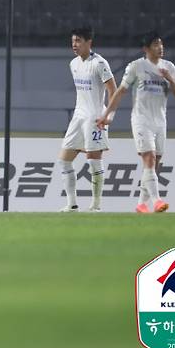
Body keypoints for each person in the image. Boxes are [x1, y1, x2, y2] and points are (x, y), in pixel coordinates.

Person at [97, 31, 175, 213]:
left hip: (160, 121)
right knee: (149, 159)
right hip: (141, 120)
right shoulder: (136, 67)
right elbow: (120, 91)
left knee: (154, 163)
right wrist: (106, 114)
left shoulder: (169, 67)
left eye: (161, 44)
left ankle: (141, 203)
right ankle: (157, 201)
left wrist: (169, 78)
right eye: (155, 44)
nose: (160, 48)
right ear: (146, 48)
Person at [59, 26, 117, 212]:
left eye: (78, 41)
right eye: (73, 41)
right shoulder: (73, 64)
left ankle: (96, 205)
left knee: (93, 159)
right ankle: (72, 204)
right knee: (64, 160)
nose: (74, 45)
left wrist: (108, 115)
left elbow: (112, 90)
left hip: (95, 117)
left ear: (88, 42)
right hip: (78, 116)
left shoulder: (99, 63)